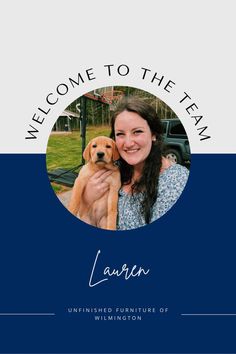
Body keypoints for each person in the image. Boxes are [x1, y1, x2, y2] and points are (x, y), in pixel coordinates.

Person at [83, 96, 189, 230]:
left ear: (153, 134)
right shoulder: (118, 169)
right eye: (120, 134)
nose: (128, 143)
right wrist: (87, 199)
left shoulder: (175, 182)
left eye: (137, 132)